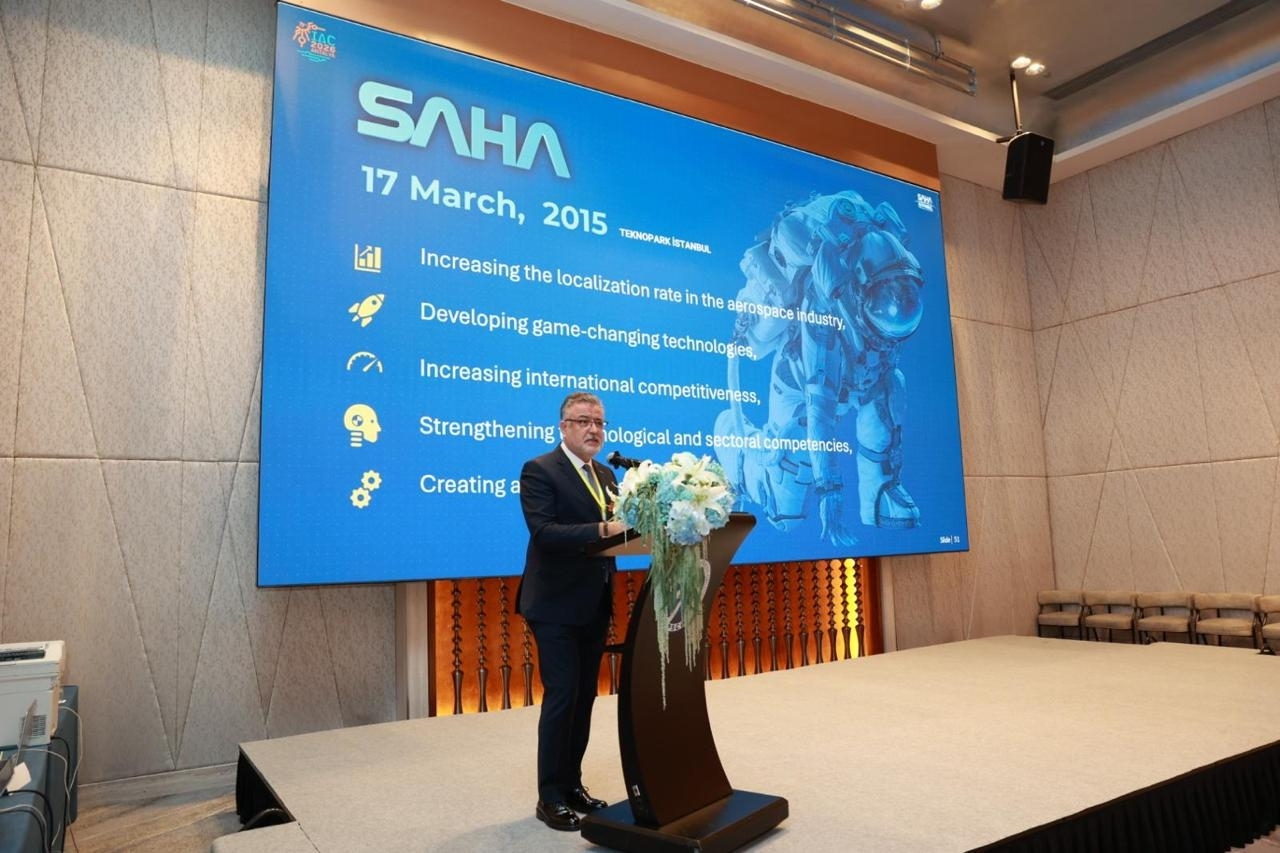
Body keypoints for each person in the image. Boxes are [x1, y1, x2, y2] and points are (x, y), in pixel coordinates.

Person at [518, 392, 627, 831]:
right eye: (583, 421)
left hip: (594, 600)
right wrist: (603, 529)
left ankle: (572, 784)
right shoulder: (540, 469)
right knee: (562, 696)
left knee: (584, 698)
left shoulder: (606, 474)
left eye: (599, 422)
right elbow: (544, 533)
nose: (593, 429)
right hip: (554, 604)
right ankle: (549, 797)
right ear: (563, 427)